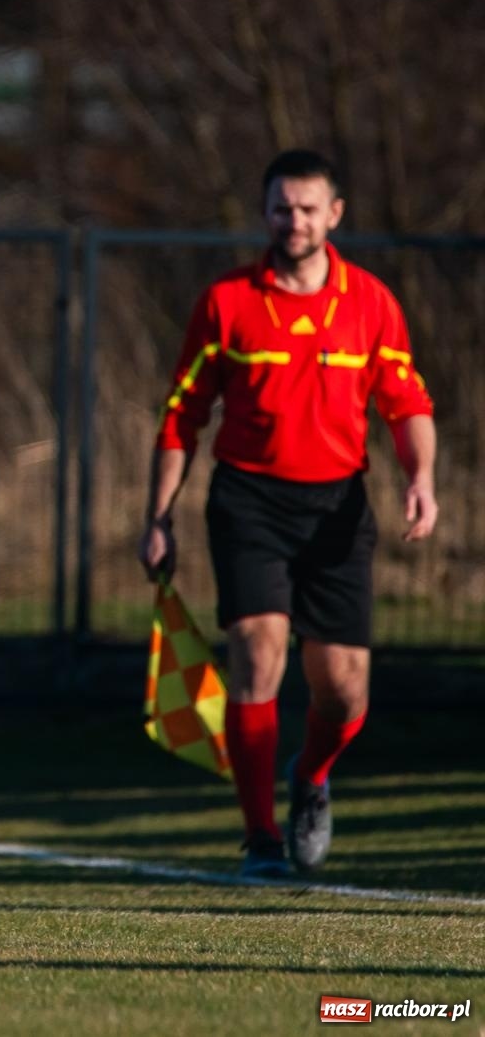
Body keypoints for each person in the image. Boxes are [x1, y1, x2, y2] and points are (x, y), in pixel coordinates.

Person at [138, 149, 437, 877]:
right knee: (257, 652)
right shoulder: (227, 302)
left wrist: (421, 476)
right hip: (249, 500)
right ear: (264, 212)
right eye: (281, 207)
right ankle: (261, 838)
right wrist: (158, 515)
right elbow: (183, 415)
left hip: (337, 504)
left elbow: (407, 404)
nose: (293, 220)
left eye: (308, 208)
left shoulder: (370, 303)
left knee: (342, 688)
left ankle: (312, 775)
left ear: (335, 214)